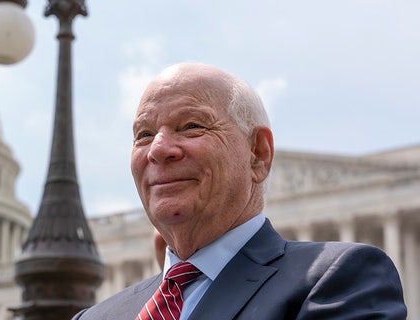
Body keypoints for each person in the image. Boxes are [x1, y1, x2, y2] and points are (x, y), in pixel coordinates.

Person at [72, 62, 407, 319]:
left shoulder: (340, 278)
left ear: (258, 153)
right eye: (143, 134)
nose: (158, 149)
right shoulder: (95, 316)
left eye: (191, 126)